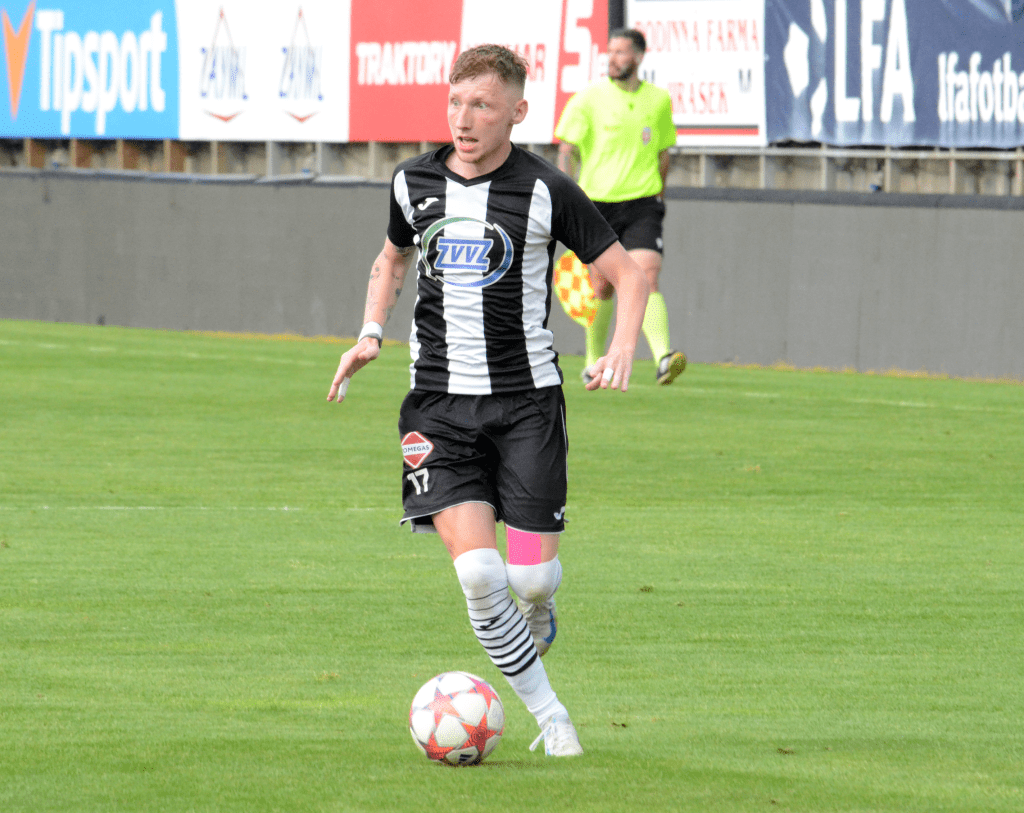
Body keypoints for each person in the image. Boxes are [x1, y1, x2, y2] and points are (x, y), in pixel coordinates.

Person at [326, 45, 650, 757]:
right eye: (456, 103)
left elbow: (628, 274)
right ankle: (552, 717)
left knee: (529, 578)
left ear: (517, 112)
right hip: (438, 407)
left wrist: (622, 345)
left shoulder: (546, 190)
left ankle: (540, 601)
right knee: (478, 572)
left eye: (482, 105)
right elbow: (392, 256)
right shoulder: (412, 181)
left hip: (527, 405)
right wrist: (371, 331)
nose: (464, 119)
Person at [555, 28, 686, 386]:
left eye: (621, 52)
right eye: (610, 51)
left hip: (643, 203)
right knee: (602, 287)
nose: (612, 58)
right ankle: (593, 359)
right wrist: (568, 196)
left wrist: (658, 196)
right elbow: (567, 150)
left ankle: (663, 358)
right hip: (597, 204)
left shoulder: (658, 100)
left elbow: (663, 154)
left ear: (639, 57)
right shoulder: (588, 98)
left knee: (647, 275)